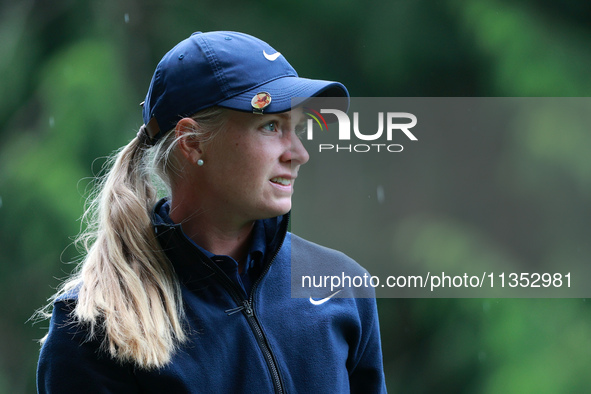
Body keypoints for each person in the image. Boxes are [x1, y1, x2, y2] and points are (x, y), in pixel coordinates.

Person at [36, 31, 387, 393]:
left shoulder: (341, 284)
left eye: (296, 129)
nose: (298, 153)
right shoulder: (94, 324)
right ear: (193, 143)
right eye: (271, 126)